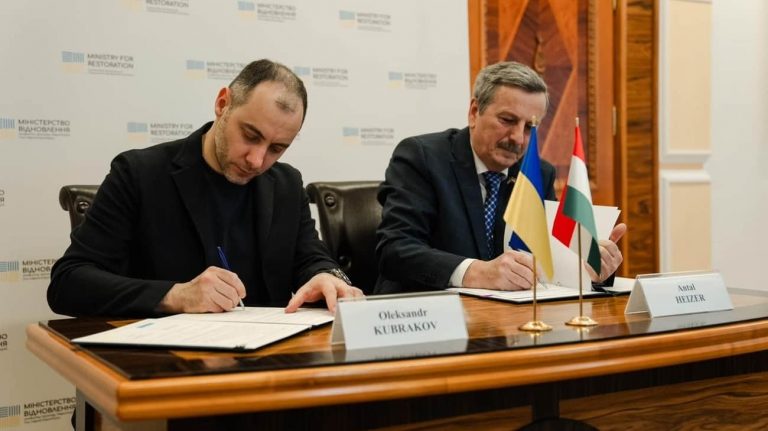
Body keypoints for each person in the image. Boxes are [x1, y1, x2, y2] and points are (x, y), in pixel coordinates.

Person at [48, 59, 363, 317]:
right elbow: (68, 283)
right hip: (166, 361)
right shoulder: (139, 174)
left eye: (277, 148)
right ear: (223, 104)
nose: (257, 160)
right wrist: (177, 295)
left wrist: (327, 277)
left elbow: (311, 258)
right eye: (250, 135)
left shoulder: (286, 184)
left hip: (270, 360)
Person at [375, 61, 626, 294]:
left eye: (530, 127)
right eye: (507, 120)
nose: (517, 138)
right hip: (426, 311)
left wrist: (587, 270)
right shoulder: (422, 157)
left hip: (508, 315)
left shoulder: (537, 173)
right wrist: (475, 272)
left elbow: (545, 258)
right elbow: (396, 249)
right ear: (474, 112)